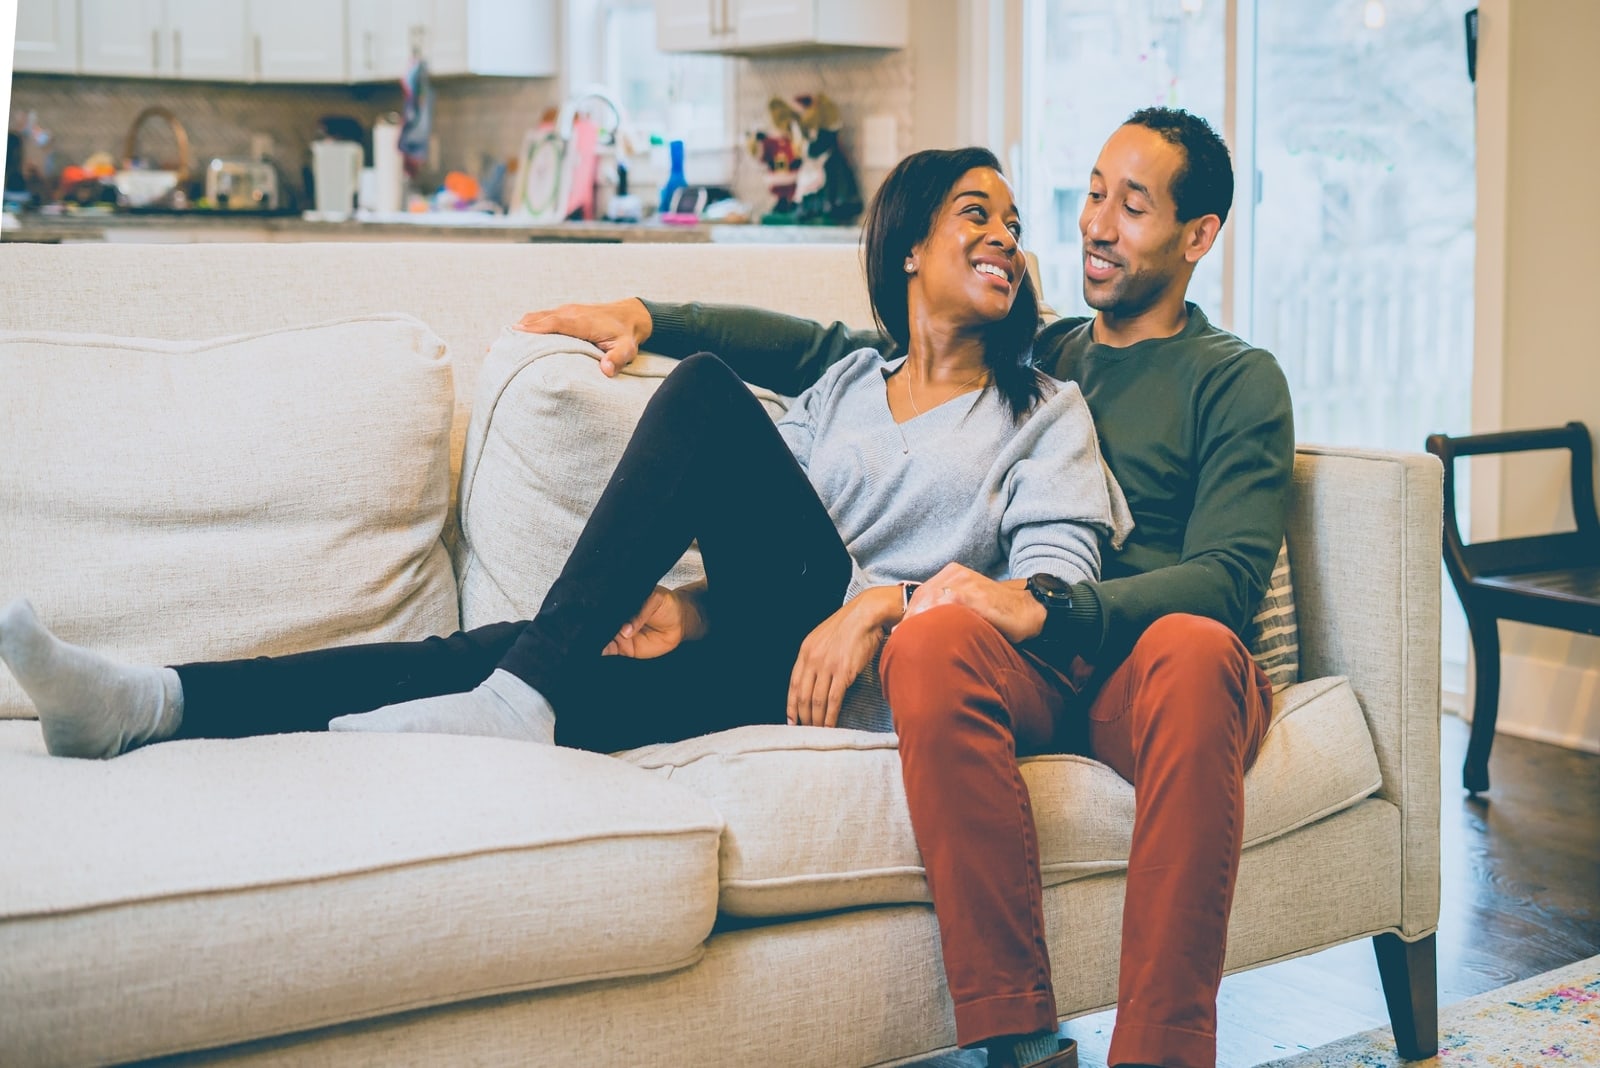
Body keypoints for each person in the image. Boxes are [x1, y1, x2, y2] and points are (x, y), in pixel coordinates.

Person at [0, 149, 1125, 1068]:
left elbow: (1049, 590)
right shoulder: (839, 389)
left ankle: (522, 692)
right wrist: (688, 612)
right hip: (764, 661)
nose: (1008, 238)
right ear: (910, 245)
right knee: (469, 651)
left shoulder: (1042, 409)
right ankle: (149, 701)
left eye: (1016, 224)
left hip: (897, 684)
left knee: (699, 395)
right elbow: (762, 548)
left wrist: (882, 607)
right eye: (977, 213)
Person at [514, 108, 1294, 1068]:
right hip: (1041, 666)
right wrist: (651, 317)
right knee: (931, 637)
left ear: (1199, 235)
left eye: (1132, 207)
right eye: (1093, 194)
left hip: (1150, 674)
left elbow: (1226, 580)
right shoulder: (1042, 350)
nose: (1097, 224)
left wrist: (1045, 606)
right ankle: (1012, 1041)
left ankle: (1163, 1053)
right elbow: (825, 348)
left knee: (1193, 645)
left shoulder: (1236, 379)